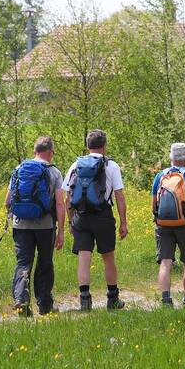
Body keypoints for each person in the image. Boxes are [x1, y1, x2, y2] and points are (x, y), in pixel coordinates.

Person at [64, 129, 128, 311]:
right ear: (104, 146)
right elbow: (120, 196)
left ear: (87, 146)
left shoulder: (75, 165)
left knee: (84, 257)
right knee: (108, 257)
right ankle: (112, 298)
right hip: (103, 216)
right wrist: (123, 223)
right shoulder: (111, 166)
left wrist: (71, 222)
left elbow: (67, 197)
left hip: (81, 216)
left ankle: (84, 300)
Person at [5, 136, 66, 317]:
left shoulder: (19, 169)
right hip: (45, 225)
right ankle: (45, 305)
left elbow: (7, 201)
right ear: (49, 152)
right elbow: (60, 205)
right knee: (45, 262)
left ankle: (21, 300)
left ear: (35, 151)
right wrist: (61, 231)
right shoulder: (54, 172)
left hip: (20, 224)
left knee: (23, 262)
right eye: (53, 152)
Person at [151, 143, 185, 307]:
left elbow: (153, 206)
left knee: (165, 262)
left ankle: (166, 299)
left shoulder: (160, 176)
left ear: (171, 157)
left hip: (163, 225)